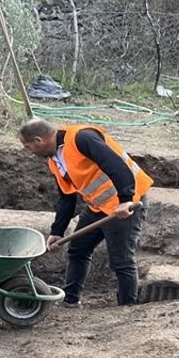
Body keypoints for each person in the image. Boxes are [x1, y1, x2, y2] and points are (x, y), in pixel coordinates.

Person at [18, 118, 152, 307]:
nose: (29, 152)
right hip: (98, 206)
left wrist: (125, 199)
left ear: (39, 140)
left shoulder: (82, 138)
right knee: (78, 250)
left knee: (121, 260)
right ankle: (70, 300)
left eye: (27, 146)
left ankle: (127, 309)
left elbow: (117, 165)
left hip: (126, 203)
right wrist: (57, 231)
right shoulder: (55, 159)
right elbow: (66, 197)